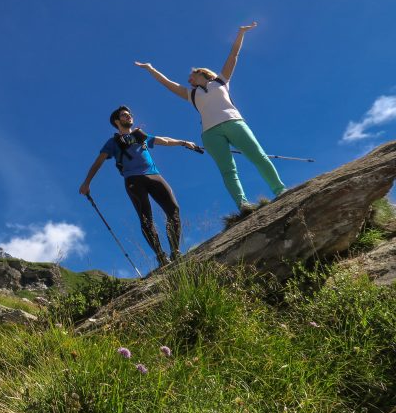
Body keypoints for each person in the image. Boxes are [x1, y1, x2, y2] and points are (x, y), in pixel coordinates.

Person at [134, 21, 285, 213]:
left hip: (234, 122)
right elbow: (167, 83)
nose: (189, 80)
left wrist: (241, 33)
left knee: (259, 156)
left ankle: (280, 190)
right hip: (210, 134)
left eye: (191, 76)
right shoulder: (192, 94)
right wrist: (150, 68)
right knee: (228, 171)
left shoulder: (221, 80)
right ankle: (243, 204)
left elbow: (233, 55)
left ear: (201, 73)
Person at [79, 105, 200, 267]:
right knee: (146, 219)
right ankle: (161, 256)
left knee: (173, 209)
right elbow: (98, 162)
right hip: (133, 180)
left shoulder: (140, 135)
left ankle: (175, 251)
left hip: (153, 175)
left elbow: (163, 140)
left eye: (129, 114)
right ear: (117, 121)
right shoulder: (112, 142)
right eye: (124, 115)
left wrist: (183, 142)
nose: (129, 116)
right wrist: (87, 182)